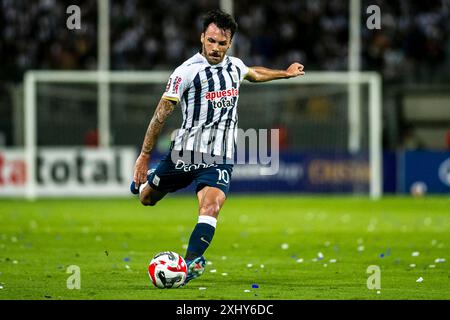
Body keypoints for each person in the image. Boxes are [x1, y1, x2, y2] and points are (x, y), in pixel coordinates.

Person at [131, 9, 305, 285]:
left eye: (221, 43)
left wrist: (284, 73)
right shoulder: (185, 72)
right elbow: (160, 115)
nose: (215, 48)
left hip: (219, 157)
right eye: (211, 41)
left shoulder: (234, 66)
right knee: (147, 198)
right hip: (185, 153)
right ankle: (145, 182)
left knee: (211, 207)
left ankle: (190, 264)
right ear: (202, 37)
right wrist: (144, 156)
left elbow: (254, 74)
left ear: (230, 43)